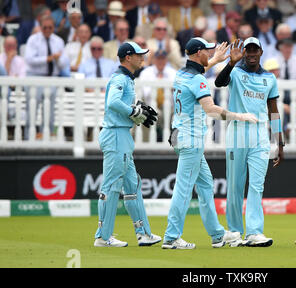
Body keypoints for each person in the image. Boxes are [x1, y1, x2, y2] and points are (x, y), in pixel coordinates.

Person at [162, 38, 257, 249]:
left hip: (180, 135)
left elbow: (199, 70)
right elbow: (211, 110)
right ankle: (171, 237)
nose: (210, 52)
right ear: (197, 53)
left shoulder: (181, 73)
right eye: (207, 50)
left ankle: (217, 235)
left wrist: (214, 60)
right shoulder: (198, 80)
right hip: (191, 139)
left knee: (205, 184)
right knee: (184, 189)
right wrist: (240, 116)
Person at [215, 37, 284, 247]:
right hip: (237, 133)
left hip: (260, 136)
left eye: (255, 50)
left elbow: (273, 111)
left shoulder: (270, 78)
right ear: (244, 52)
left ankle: (254, 232)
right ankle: (235, 232)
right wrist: (231, 63)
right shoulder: (235, 72)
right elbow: (218, 83)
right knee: (235, 186)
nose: (252, 53)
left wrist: (279, 142)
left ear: (261, 52)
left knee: (256, 185)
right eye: (248, 50)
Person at [94, 41, 161, 247]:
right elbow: (113, 102)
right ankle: (103, 237)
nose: (143, 58)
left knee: (132, 186)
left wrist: (135, 108)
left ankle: (143, 233)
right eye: (139, 55)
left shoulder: (127, 79)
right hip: (115, 135)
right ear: (128, 57)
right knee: (112, 186)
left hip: (122, 136)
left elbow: (119, 103)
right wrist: (133, 112)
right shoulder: (120, 78)